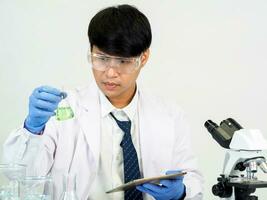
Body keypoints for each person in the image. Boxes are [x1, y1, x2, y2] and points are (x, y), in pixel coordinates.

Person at [3, 4, 203, 200]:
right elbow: (21, 175)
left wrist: (182, 192)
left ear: (143, 58)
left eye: (123, 62)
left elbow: (192, 179)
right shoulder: (63, 109)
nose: (110, 73)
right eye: (102, 59)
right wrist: (33, 130)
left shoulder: (169, 114)